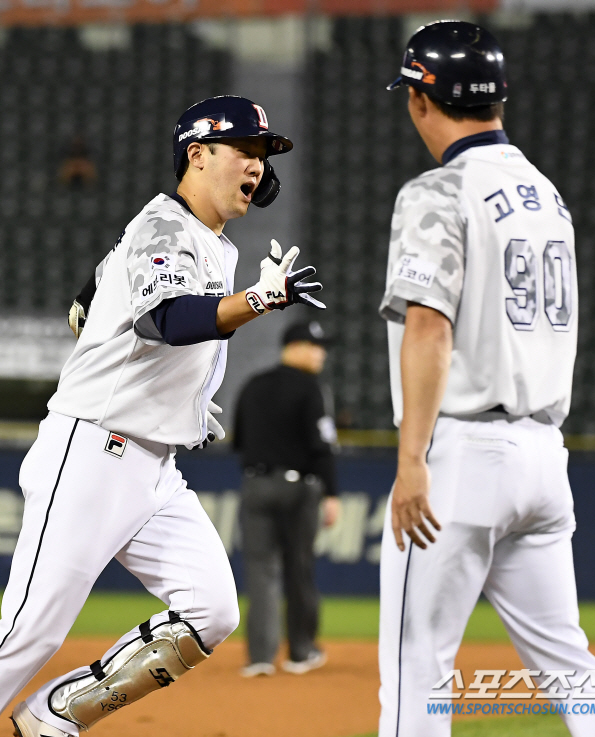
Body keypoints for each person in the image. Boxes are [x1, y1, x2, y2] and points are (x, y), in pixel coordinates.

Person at [0, 95, 325, 737]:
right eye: (245, 150)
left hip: (152, 468)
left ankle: (52, 717)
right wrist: (259, 299)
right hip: (91, 453)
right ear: (196, 154)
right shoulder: (165, 224)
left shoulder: (208, 242)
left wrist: (179, 397)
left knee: (210, 607)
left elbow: (86, 304)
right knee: (26, 634)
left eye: (263, 155)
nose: (257, 166)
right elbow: (166, 320)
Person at [378, 21, 595, 737]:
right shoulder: (547, 196)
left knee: (416, 668)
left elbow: (429, 327)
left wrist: (410, 459)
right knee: (571, 667)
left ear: (424, 100)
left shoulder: (436, 191)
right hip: (542, 459)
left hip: (462, 454)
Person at [233, 320, 340, 677]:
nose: (320, 353)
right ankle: (301, 651)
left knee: (260, 573)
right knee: (299, 569)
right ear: (292, 347)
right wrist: (332, 493)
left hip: (256, 485)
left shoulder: (253, 385)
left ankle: (260, 658)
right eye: (314, 346)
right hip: (299, 488)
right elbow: (322, 446)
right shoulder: (312, 389)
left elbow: (239, 441)